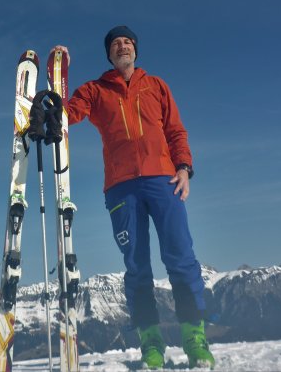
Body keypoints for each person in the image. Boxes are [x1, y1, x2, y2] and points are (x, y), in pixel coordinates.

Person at [56, 26, 214, 370]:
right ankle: (151, 343)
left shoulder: (156, 86)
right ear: (109, 54)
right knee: (137, 266)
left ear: (135, 51)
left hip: (164, 180)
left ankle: (194, 338)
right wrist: (52, 107)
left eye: (127, 42)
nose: (122, 46)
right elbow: (71, 113)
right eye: (115, 43)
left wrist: (184, 167)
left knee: (181, 258)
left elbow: (175, 130)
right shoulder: (96, 90)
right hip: (121, 187)